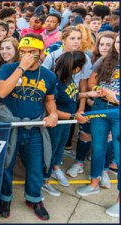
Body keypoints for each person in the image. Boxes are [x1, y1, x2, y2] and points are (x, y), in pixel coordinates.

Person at [0, 34, 58, 221]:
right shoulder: (8, 68)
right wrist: (21, 68)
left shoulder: (48, 75)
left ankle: (34, 198)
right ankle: (5, 198)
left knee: (35, 166)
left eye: (32, 52)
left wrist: (53, 114)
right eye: (23, 52)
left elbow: (50, 100)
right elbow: (2, 92)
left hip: (34, 126)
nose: (27, 55)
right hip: (11, 125)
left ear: (41, 53)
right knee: (6, 165)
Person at [42, 51, 100, 196]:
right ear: (77, 69)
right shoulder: (55, 83)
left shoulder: (68, 79)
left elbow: (72, 94)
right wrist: (73, 116)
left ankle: (55, 169)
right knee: (50, 152)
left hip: (66, 123)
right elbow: (50, 109)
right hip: (57, 124)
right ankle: (44, 180)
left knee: (59, 149)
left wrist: (86, 94)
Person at [77, 35, 119, 210]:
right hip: (100, 107)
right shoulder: (105, 60)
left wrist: (116, 97)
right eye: (118, 41)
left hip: (118, 111)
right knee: (98, 148)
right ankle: (94, 183)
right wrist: (98, 90)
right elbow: (92, 82)